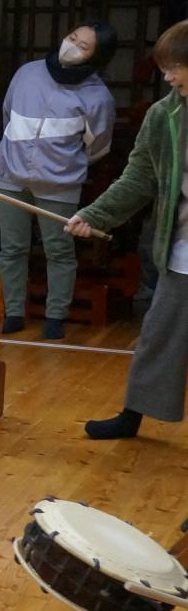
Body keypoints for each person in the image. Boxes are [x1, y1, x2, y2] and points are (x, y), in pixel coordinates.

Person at [67, 22, 188, 440]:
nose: (168, 77)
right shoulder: (163, 115)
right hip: (183, 249)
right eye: (165, 68)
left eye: (176, 67)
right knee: (158, 336)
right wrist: (96, 215)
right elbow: (139, 178)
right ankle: (133, 414)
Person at [0, 21, 120, 340]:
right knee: (12, 248)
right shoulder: (27, 73)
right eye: (72, 37)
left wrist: (62, 164)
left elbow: (98, 145)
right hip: (10, 174)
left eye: (84, 46)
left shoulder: (98, 96)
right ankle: (14, 312)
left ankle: (55, 316)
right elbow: (7, 114)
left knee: (59, 250)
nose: (72, 45)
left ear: (96, 57)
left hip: (60, 183)